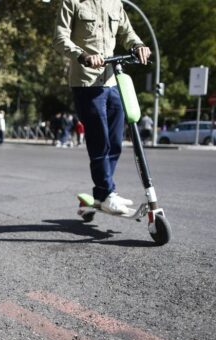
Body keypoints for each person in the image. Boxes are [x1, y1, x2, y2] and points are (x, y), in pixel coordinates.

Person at [54, 0, 151, 214]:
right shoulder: (72, 2)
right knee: (100, 142)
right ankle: (107, 192)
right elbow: (60, 38)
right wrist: (83, 55)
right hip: (86, 83)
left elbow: (128, 33)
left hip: (112, 81)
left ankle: (101, 194)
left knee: (115, 142)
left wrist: (138, 45)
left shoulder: (115, 3)